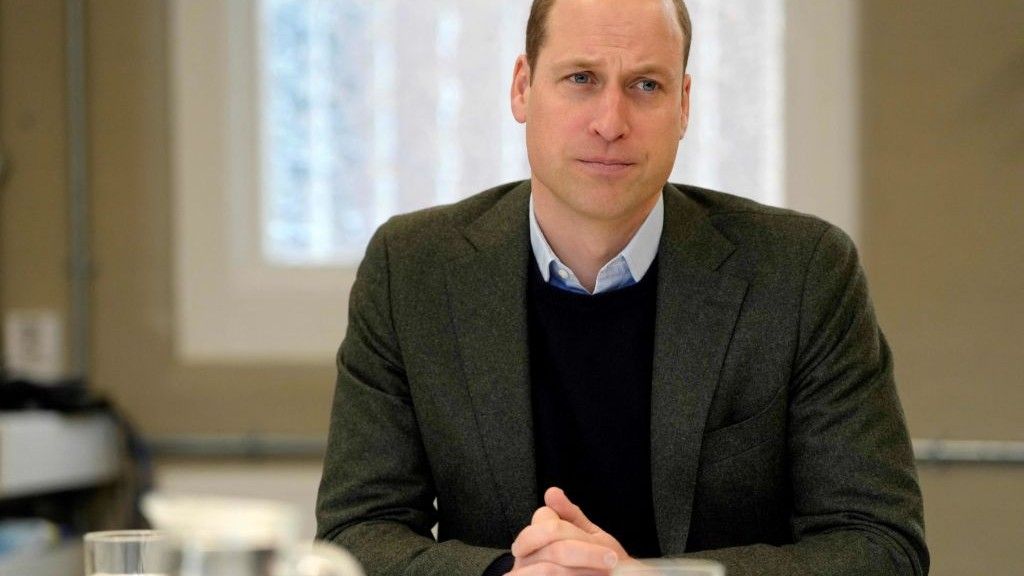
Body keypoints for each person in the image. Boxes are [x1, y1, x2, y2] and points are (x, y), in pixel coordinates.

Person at [316, 0, 929, 574]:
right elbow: (355, 532)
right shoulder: (411, 270)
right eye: (581, 78)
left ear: (684, 104)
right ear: (522, 87)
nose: (611, 122)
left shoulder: (803, 273)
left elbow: (879, 543)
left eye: (646, 85)